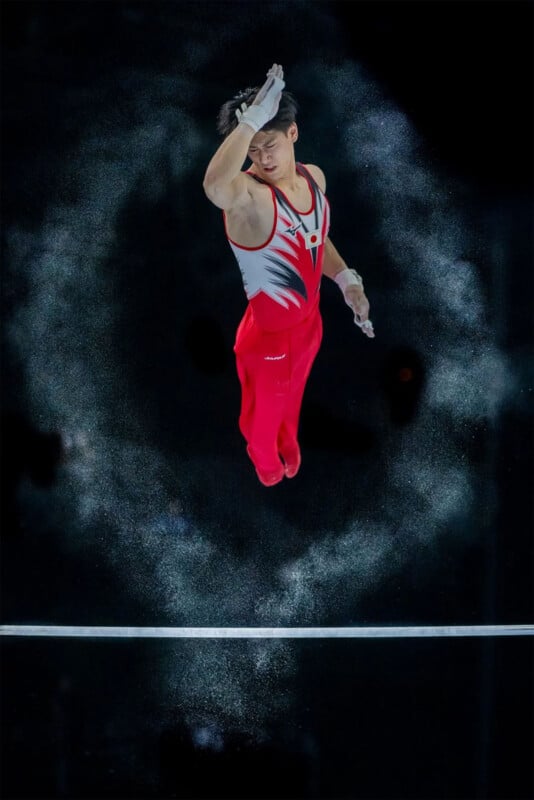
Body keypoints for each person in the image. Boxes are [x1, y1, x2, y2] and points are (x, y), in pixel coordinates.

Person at [203, 63, 374, 487]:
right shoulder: (249, 198)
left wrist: (347, 280)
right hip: (269, 339)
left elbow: (316, 241)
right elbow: (214, 187)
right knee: (263, 421)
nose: (263, 158)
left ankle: (286, 436)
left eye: (270, 145)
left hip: (309, 324)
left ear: (293, 133)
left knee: (293, 395)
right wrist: (250, 123)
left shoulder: (313, 177)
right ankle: (263, 461)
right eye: (254, 149)